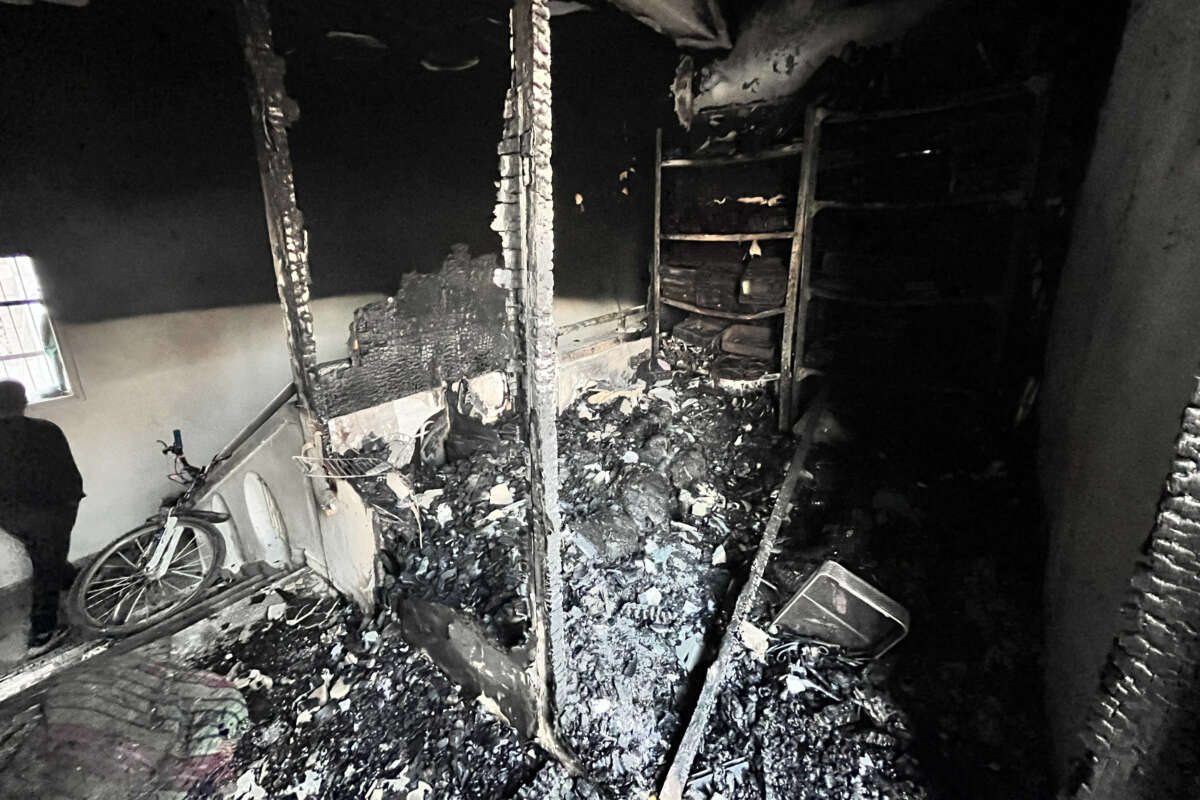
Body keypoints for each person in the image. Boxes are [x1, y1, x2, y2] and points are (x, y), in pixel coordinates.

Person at [0, 380, 83, 651]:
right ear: (23, 402)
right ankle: (42, 634)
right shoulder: (46, 430)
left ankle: (74, 580)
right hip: (51, 512)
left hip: (12, 518)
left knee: (46, 555)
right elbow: (68, 473)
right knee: (46, 567)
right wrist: (72, 502)